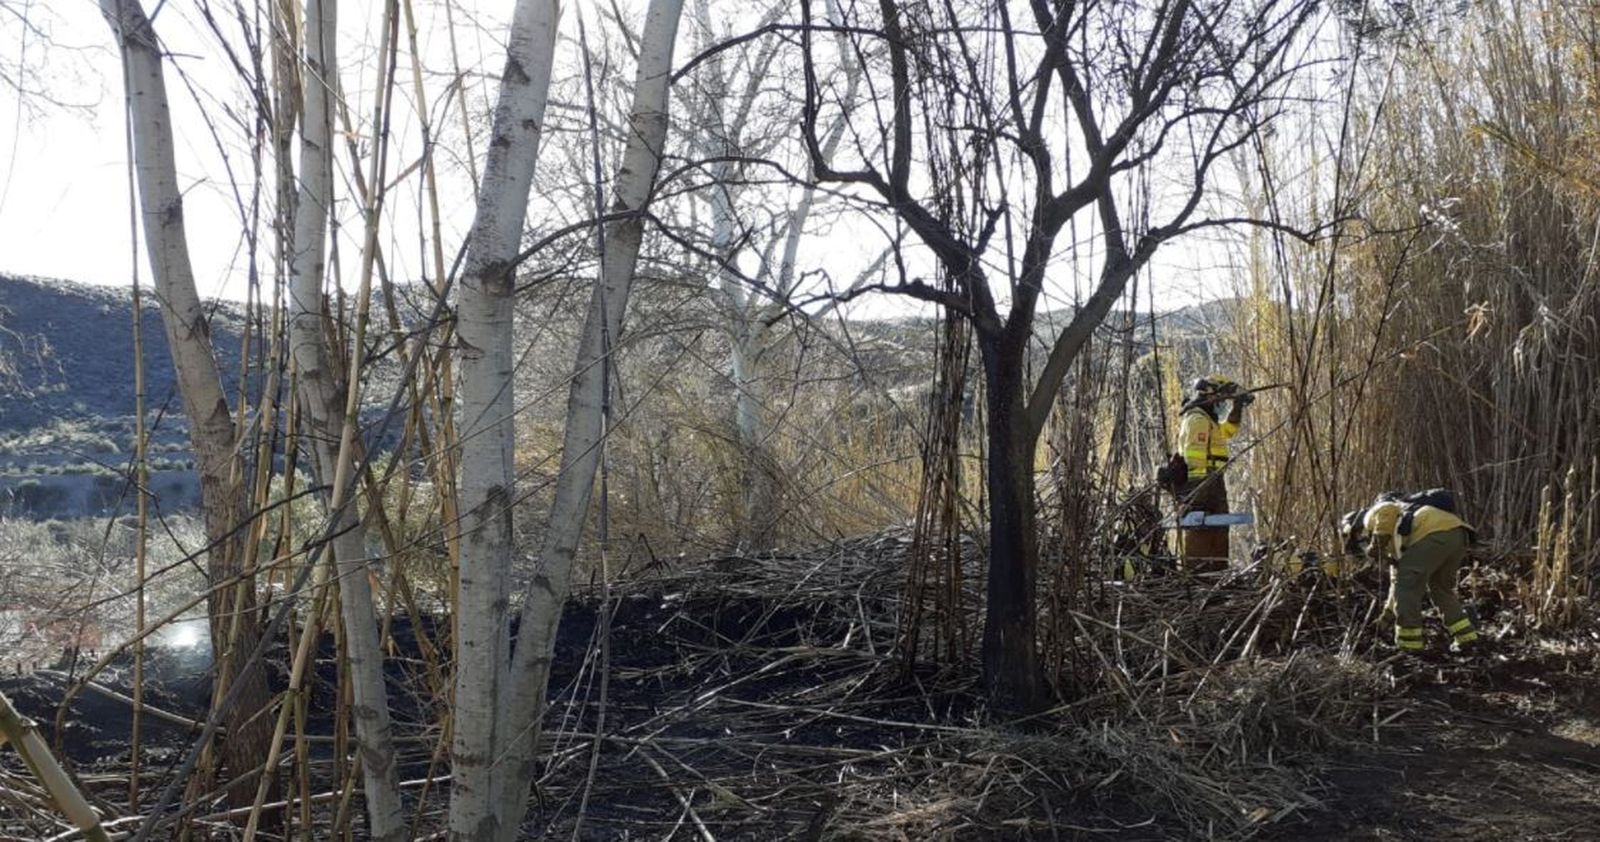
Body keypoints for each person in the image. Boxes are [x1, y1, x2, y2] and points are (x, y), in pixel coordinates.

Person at [1342, 494, 1480, 654]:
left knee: (1408, 589)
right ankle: (1466, 637)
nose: (1362, 543)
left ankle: (1409, 645)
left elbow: (1387, 510)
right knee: (1440, 589)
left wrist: (1376, 546)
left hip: (1433, 534)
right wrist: (1383, 622)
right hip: (1457, 534)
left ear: (1356, 528)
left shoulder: (1371, 515)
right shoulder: (1398, 543)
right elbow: (1396, 587)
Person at [1175, 376, 1251, 570]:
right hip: (1202, 483)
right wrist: (1199, 493)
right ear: (1211, 396)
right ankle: (1198, 574)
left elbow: (1228, 430)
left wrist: (1237, 406)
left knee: (1218, 530)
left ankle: (1217, 572)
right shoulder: (1198, 419)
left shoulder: (1209, 420)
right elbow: (1194, 458)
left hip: (1213, 481)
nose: (1221, 404)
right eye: (1221, 399)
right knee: (1201, 533)